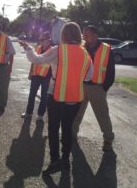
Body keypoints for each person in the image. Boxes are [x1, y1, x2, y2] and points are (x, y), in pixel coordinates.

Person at [19, 22, 93, 175]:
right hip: (75, 99)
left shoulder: (58, 50)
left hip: (56, 96)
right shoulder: (85, 53)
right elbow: (89, 76)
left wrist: (28, 48)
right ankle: (66, 159)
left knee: (53, 128)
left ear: (64, 35)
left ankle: (55, 161)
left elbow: (37, 60)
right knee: (67, 129)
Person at [73, 25, 115, 151]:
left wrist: (103, 88)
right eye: (84, 35)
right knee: (76, 113)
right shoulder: (81, 48)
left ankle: (108, 139)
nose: (84, 37)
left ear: (95, 34)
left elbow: (111, 72)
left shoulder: (106, 49)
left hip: (97, 88)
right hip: (81, 86)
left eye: (87, 34)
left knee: (102, 115)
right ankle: (72, 135)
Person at [21, 31, 52, 121]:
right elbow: (33, 61)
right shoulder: (38, 48)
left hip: (46, 77)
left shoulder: (52, 50)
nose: (40, 42)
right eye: (40, 40)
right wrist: (31, 72)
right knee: (31, 95)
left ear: (48, 40)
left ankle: (40, 115)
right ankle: (28, 113)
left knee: (44, 97)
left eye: (42, 40)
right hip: (36, 75)